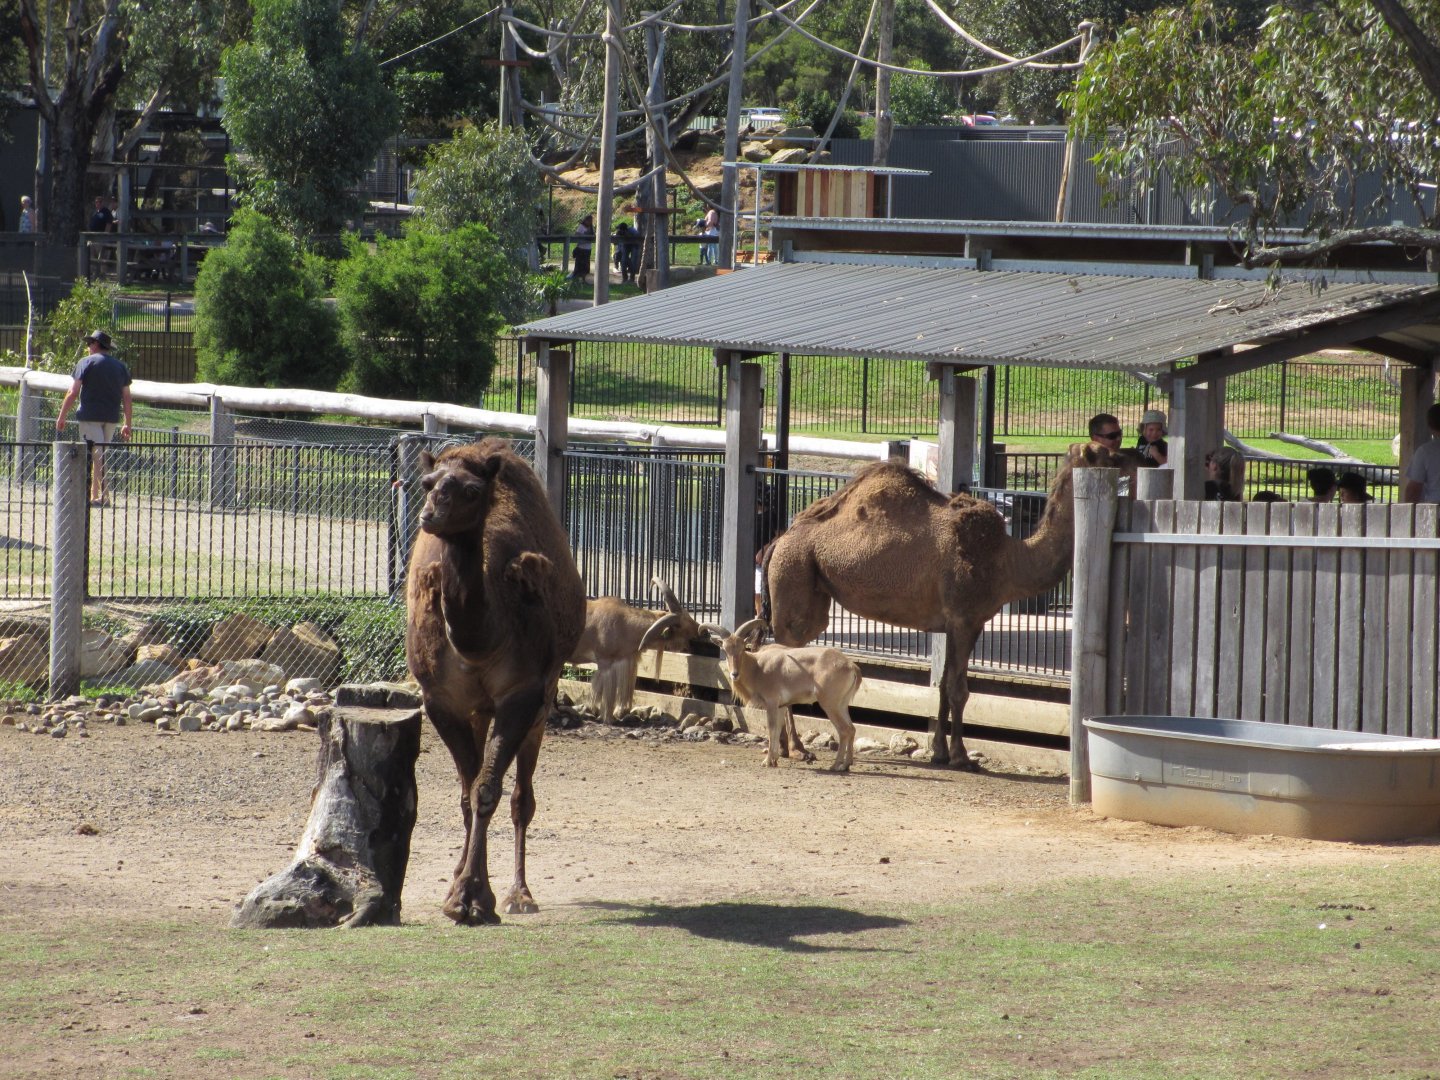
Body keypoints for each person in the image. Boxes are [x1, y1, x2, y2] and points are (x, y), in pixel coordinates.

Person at [53, 330, 133, 506]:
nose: (88, 347)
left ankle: (104, 496)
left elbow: (73, 392)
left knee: (97, 455)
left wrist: (62, 415)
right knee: (100, 454)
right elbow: (127, 397)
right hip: (111, 417)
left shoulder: (85, 363)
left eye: (90, 344)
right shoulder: (120, 367)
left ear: (96, 344)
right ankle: (95, 494)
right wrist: (127, 423)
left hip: (90, 416)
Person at [1403, 403, 1440, 503]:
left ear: (1430, 425)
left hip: (1435, 511)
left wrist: (1410, 515)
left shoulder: (1425, 451)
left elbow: (1413, 490)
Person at [612, 218, 641, 284]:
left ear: (625, 230)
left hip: (635, 245)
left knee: (633, 261)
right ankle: (624, 278)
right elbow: (615, 242)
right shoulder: (619, 232)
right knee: (623, 261)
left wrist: (629, 236)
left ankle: (632, 278)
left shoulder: (633, 231)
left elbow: (638, 237)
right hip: (626, 245)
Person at [571, 213, 594, 281]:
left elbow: (593, 236)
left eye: (591, 221)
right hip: (581, 248)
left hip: (588, 249)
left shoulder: (591, 227)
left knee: (586, 265)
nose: (589, 222)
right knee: (579, 264)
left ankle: (584, 279)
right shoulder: (581, 226)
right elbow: (577, 234)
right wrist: (585, 234)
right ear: (585, 220)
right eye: (588, 220)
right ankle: (576, 278)